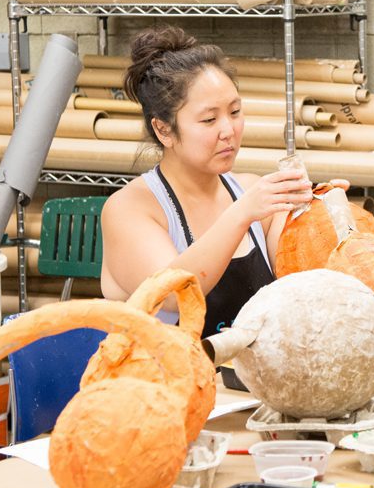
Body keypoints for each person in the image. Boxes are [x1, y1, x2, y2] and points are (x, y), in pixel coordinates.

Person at [100, 26, 328, 337]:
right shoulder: (129, 209)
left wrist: (326, 211)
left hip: (241, 383)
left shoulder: (250, 194)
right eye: (209, 119)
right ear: (164, 130)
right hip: (162, 381)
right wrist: (240, 214)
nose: (228, 130)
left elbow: (299, 282)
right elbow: (171, 295)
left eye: (235, 112)